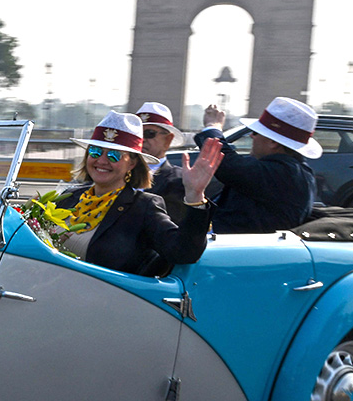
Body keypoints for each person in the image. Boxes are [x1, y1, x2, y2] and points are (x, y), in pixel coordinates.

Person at [54, 111, 223, 275]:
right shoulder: (70, 197)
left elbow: (183, 252)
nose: (102, 161)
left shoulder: (143, 207)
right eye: (95, 151)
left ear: (132, 163)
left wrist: (195, 195)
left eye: (114, 155)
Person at [194, 97, 321, 234]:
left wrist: (213, 127)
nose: (252, 137)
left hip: (241, 249)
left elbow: (228, 164)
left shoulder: (285, 172)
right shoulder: (290, 170)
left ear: (273, 143)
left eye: (256, 132)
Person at [135, 101, 189, 222]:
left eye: (149, 134)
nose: (142, 140)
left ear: (168, 140)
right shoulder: (116, 172)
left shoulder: (179, 181)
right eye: (137, 134)